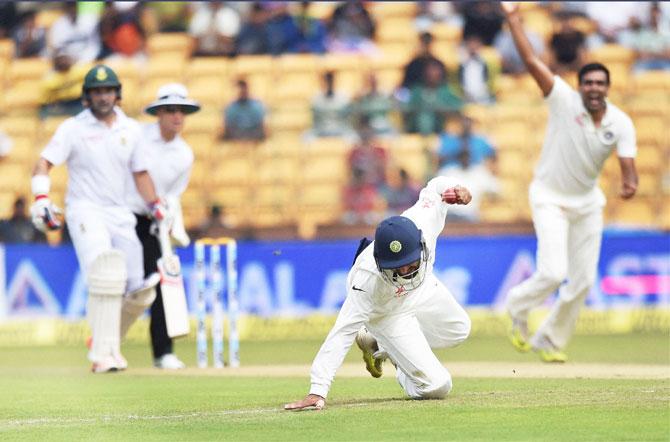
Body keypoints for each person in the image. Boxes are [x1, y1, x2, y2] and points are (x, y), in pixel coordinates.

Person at [500, 2, 638, 363]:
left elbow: (628, 164)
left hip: (588, 202)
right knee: (552, 272)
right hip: (548, 197)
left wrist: (630, 183)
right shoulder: (564, 100)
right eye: (588, 82)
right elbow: (532, 62)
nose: (594, 88)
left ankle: (550, 340)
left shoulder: (620, 122)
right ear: (580, 86)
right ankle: (517, 307)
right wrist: (514, 20)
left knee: (583, 283)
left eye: (600, 83)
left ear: (608, 88)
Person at [285, 176, 473, 411]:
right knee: (438, 386)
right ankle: (394, 351)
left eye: (410, 263)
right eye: (397, 267)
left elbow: (435, 187)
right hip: (387, 313)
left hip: (424, 290)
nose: (405, 271)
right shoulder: (366, 281)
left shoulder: (423, 220)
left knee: (459, 329)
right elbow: (342, 332)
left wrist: (455, 189)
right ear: (380, 262)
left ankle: (383, 346)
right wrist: (318, 389)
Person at [29, 64, 168, 373]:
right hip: (85, 210)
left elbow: (141, 172)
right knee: (106, 271)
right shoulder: (72, 128)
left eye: (108, 91)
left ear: (117, 94)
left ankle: (106, 345)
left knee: (139, 290)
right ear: (86, 98)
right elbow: (43, 164)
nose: (103, 97)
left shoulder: (131, 129)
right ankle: (102, 357)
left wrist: (156, 204)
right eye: (96, 92)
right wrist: (41, 199)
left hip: (120, 213)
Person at [127, 83, 200, 369]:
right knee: (123, 284)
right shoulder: (139, 137)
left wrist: (170, 221)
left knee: (159, 284)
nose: (177, 116)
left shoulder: (184, 154)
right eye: (170, 110)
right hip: (124, 217)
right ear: (158, 113)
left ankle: (163, 352)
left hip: (152, 224)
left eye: (181, 111)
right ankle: (104, 345)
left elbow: (173, 194)